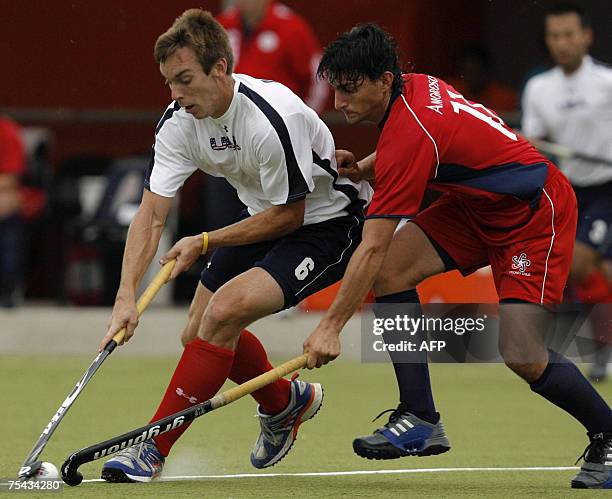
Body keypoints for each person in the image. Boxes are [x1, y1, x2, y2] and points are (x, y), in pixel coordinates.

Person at [304, 23, 612, 489]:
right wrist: (368, 165)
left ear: (385, 80)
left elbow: (373, 243)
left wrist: (330, 327)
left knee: (522, 353)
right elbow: (440, 142)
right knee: (393, 272)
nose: (340, 101)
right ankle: (420, 418)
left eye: (350, 89)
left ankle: (608, 434)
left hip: (532, 213)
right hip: (475, 207)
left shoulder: (413, 130)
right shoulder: (416, 86)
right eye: (336, 89)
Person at [97, 9, 370, 483]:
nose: (176, 96)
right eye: (168, 83)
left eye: (184, 80)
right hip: (260, 217)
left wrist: (204, 241)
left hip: (326, 224)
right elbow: (151, 214)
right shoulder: (179, 122)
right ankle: (286, 401)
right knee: (196, 335)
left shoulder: (271, 116)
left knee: (220, 315)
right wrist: (126, 297)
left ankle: (151, 449)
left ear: (220, 68)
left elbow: (291, 213)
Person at [522, 3, 612, 382]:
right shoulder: (539, 88)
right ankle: (603, 349)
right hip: (570, 189)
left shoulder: (608, 82)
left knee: (580, 264)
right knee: (590, 270)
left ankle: (602, 349)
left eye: (569, 35)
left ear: (586, 37)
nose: (562, 43)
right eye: (555, 36)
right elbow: (534, 140)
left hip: (608, 185)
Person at [218, 0, 329, 114]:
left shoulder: (291, 27)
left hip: (279, 121)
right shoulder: (224, 25)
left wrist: (305, 121)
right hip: (231, 122)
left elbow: (316, 80)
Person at [0, 116, 26, 308]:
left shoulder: (6, 131)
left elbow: (10, 178)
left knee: (6, 202)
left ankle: (9, 285)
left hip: (3, 193)